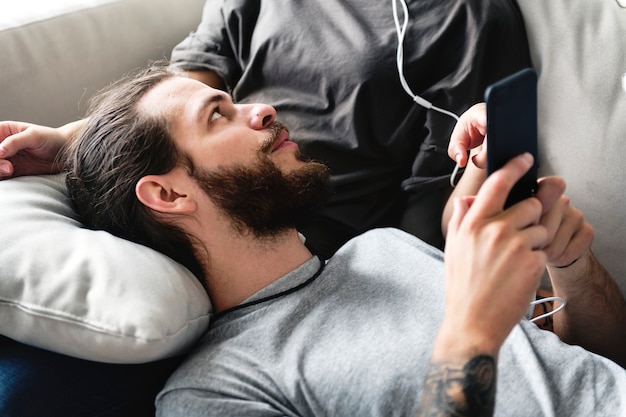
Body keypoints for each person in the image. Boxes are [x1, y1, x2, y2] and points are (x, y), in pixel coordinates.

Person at [50, 66, 626, 416]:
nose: (262, 109)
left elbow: (597, 368)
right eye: (218, 115)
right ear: (168, 195)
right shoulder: (217, 389)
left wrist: (571, 264)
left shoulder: (383, 251)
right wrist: (471, 332)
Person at [0, 0, 533, 258]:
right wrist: (79, 140)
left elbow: (436, 207)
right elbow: (190, 89)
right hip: (188, 212)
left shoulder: (463, 17)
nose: (262, 109)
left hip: (301, 241)